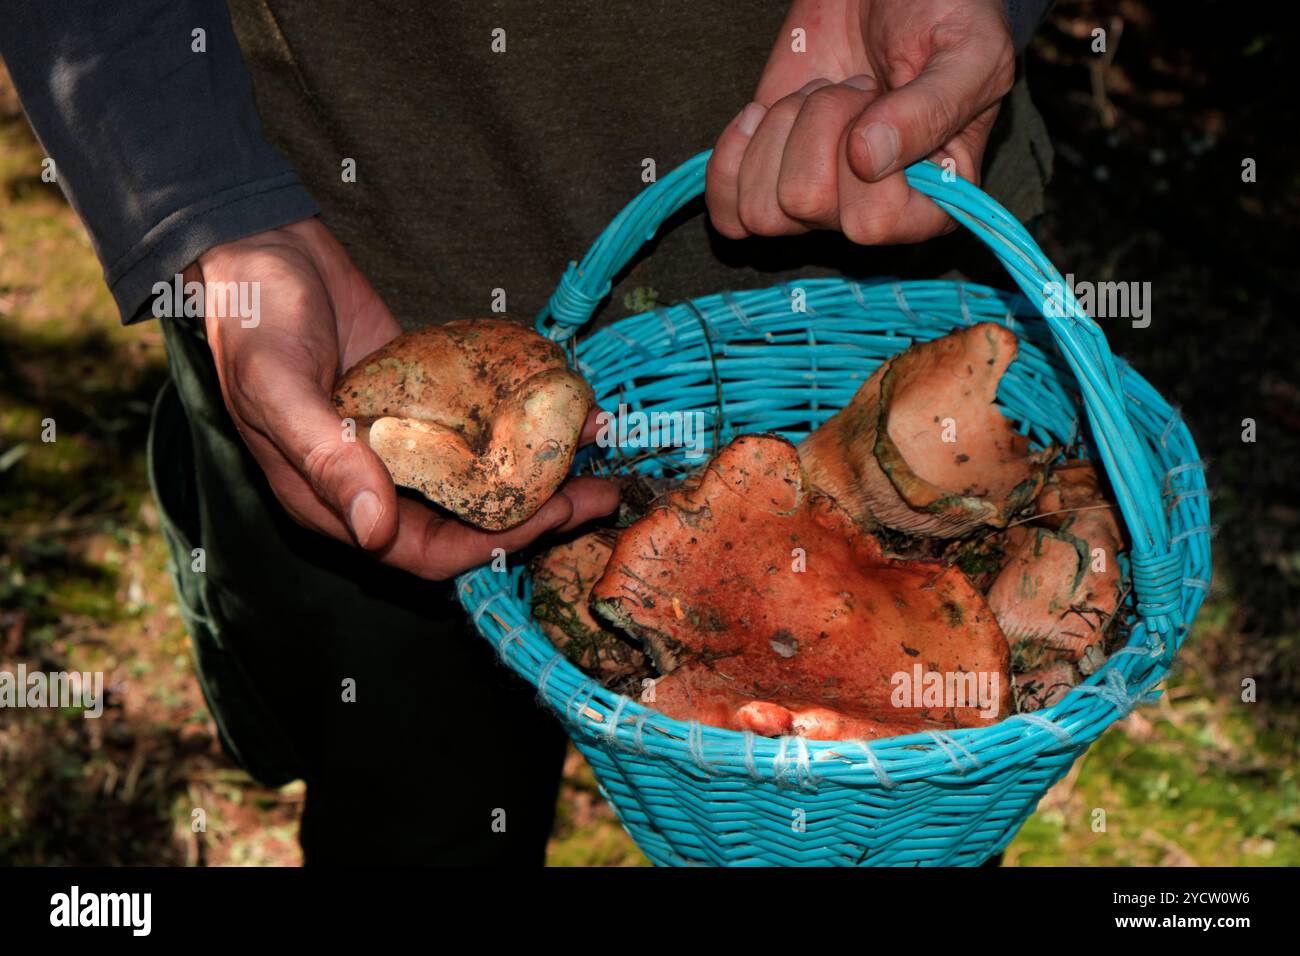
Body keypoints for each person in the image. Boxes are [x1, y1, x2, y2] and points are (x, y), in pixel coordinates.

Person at [1, 0, 1054, 864]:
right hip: (348, 288)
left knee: (879, 823)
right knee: (411, 819)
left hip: (862, 283)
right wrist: (199, 201)